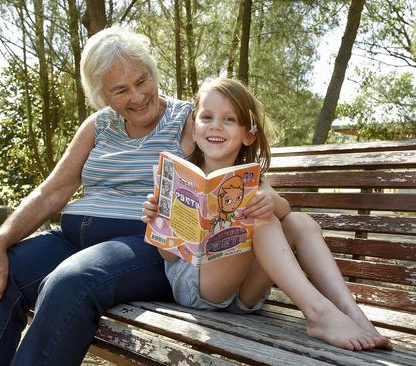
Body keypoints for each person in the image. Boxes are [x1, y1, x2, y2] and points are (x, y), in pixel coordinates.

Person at [0, 25, 196, 366]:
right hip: (74, 240)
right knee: (4, 272)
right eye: (120, 90)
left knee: (70, 281)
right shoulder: (99, 125)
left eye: (143, 80)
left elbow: (226, 167)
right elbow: (53, 191)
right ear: (102, 95)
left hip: (145, 245)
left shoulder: (186, 119)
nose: (138, 96)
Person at [141, 77, 392, 351]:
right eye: (207, 117)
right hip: (199, 286)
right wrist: (158, 221)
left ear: (248, 134)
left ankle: (350, 311)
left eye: (229, 119)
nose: (215, 125)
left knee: (299, 221)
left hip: (246, 295)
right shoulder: (178, 177)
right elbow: (168, 255)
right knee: (256, 217)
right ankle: (319, 313)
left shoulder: (252, 179)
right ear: (193, 125)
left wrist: (270, 200)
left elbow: (283, 214)